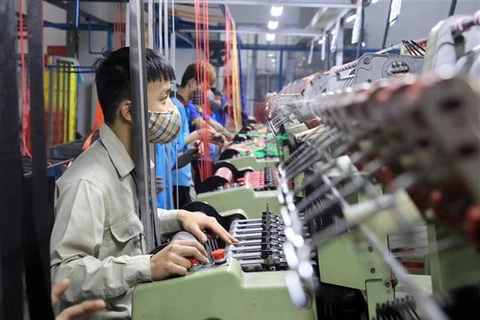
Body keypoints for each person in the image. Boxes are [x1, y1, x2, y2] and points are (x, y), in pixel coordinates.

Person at [50, 47, 237, 319]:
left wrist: (181, 217)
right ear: (129, 110)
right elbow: (63, 274)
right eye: (164, 98)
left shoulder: (127, 166)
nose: (173, 110)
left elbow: (124, 226)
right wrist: (146, 266)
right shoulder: (88, 183)